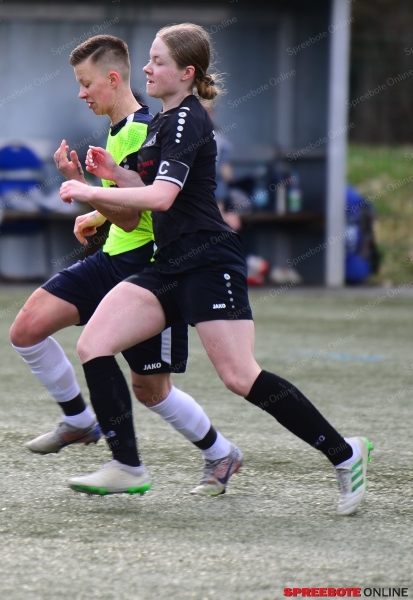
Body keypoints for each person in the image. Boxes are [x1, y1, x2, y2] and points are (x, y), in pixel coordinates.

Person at [58, 23, 372, 515]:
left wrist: (90, 192)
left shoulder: (186, 119)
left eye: (157, 61)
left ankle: (345, 453)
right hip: (169, 263)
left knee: (239, 376)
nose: (146, 68)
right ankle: (127, 466)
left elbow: (163, 197)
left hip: (208, 259)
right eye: (148, 59)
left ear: (186, 73)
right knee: (94, 344)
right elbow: (144, 189)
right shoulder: (162, 123)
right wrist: (110, 177)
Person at [10, 35, 242, 496]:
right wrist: (91, 201)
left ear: (112, 79)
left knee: (151, 389)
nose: (81, 93)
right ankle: (79, 420)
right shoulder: (119, 130)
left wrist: (86, 191)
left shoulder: (141, 130)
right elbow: (125, 205)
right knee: (27, 327)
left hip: (147, 269)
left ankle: (218, 453)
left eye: (86, 83)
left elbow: (139, 213)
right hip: (110, 260)